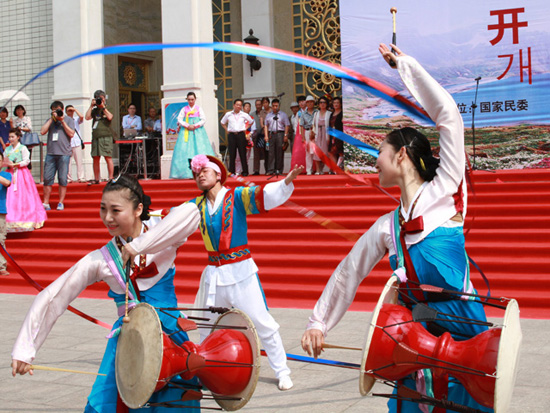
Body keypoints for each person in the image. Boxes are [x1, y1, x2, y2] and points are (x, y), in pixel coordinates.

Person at [301, 44, 492, 413]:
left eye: (381, 151)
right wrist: (318, 323)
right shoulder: (386, 226)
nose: (375, 160)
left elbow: (450, 117)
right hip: (412, 337)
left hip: (464, 329)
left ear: (401, 154)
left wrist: (406, 66)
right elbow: (349, 272)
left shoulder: (446, 190)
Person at [12, 175, 201, 412]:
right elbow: (53, 296)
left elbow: (192, 212)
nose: (108, 218)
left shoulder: (162, 232)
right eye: (103, 209)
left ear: (138, 209)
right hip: (130, 342)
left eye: (115, 210)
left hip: (170, 336)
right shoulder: (101, 259)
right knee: (111, 403)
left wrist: (139, 246)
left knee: (173, 404)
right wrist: (25, 350)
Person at [126, 154, 303, 391]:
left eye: (204, 171)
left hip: (240, 271)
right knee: (207, 325)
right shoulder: (195, 206)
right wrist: (143, 213)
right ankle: (206, 370)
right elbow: (171, 217)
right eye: (196, 174)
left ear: (218, 174)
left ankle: (282, 371)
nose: (199, 176)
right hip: (214, 275)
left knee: (262, 322)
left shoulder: (236, 196)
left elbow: (262, 195)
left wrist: (285, 183)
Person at [3, 128, 47, 232]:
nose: (11, 139)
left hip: (21, 174)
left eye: (13, 137)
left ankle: (26, 218)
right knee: (9, 197)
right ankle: (10, 219)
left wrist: (17, 164)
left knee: (23, 195)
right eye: (9, 137)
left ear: (18, 137)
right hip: (10, 174)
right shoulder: (7, 149)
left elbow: (27, 160)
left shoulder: (23, 148)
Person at [40, 100, 75, 211]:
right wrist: (52, 119)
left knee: (62, 178)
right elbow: (42, 131)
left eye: (57, 110)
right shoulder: (50, 120)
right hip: (51, 153)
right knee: (47, 178)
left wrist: (62, 121)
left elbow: (71, 134)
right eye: (53, 110)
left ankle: (60, 202)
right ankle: (46, 202)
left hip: (64, 153)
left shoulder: (68, 120)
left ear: (62, 109)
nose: (55, 112)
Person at [170, 92, 214, 179]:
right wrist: (187, 125)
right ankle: (185, 172)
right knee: (183, 149)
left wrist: (195, 125)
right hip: (186, 131)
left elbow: (203, 119)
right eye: (189, 99)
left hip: (198, 131)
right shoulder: (184, 109)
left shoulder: (199, 108)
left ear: (195, 99)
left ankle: (203, 171)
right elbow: (179, 119)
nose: (190, 101)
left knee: (200, 148)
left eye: (192, 99)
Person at [85, 90, 114, 184]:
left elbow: (110, 117)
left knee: (108, 157)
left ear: (104, 98)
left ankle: (110, 178)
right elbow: (87, 117)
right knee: (95, 158)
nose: (100, 100)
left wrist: (103, 107)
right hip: (96, 136)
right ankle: (97, 178)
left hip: (106, 136)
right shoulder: (94, 110)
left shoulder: (108, 107)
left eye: (101, 98)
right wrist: (91, 106)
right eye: (98, 98)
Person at [220, 99, 253, 177]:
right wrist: (226, 129)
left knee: (242, 153)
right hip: (231, 135)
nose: (238, 106)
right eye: (237, 105)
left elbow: (251, 121)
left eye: (240, 105)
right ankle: (232, 171)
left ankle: (245, 171)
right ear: (234, 105)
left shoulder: (244, 114)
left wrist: (245, 128)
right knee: (232, 154)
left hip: (241, 134)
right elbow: (222, 122)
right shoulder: (228, 114)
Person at [264, 99, 290, 175]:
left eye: (276, 106)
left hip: (280, 134)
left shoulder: (283, 114)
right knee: (271, 153)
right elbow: (266, 126)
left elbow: (287, 125)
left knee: (279, 152)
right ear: (271, 106)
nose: (275, 107)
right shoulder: (269, 115)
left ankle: (278, 170)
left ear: (279, 106)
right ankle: (270, 170)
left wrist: (285, 135)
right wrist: (266, 136)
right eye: (273, 106)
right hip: (271, 134)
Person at [310, 97, 332, 174]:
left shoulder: (329, 113)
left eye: (324, 102)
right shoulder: (316, 113)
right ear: (318, 104)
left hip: (326, 134)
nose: (322, 104)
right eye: (321, 102)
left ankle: (324, 169)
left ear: (327, 104)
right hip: (317, 134)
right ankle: (318, 170)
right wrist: (312, 133)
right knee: (317, 152)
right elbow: (313, 125)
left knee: (325, 152)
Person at [66, 105, 86, 183]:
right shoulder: (64, 120)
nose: (70, 112)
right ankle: (68, 178)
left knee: (79, 161)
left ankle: (80, 177)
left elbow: (82, 117)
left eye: (71, 110)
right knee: (68, 162)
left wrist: (75, 110)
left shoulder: (76, 119)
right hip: (68, 143)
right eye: (69, 110)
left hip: (77, 142)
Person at [12, 105, 35, 170]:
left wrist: (21, 128)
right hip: (19, 141)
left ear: (23, 111)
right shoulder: (14, 120)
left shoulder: (27, 118)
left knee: (28, 158)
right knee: (19, 158)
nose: (19, 111)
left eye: (20, 110)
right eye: (17, 110)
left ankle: (29, 173)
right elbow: (14, 130)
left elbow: (30, 128)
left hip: (27, 140)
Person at [235, 101, 254, 175]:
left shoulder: (251, 118)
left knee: (247, 156)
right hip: (239, 138)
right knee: (238, 155)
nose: (247, 108)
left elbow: (253, 129)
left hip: (248, 138)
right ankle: (238, 171)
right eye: (246, 106)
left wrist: (249, 135)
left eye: (249, 107)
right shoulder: (239, 117)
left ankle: (245, 170)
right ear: (243, 108)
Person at [300, 95, 317, 175]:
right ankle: (309, 170)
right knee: (308, 152)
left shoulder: (317, 112)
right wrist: (303, 137)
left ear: (314, 103)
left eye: (311, 102)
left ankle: (318, 169)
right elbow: (301, 126)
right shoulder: (303, 114)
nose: (310, 104)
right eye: (308, 102)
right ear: (306, 103)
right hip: (307, 132)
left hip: (316, 132)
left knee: (316, 151)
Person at [0, 155, 11, 276]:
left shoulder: (6, 175)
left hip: (0, 210)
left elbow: (7, 183)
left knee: (0, 239)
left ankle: (1, 266)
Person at [328, 96, 344, 170]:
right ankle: (335, 168)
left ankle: (339, 167)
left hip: (340, 135)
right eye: (334, 103)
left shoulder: (342, 113)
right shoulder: (331, 114)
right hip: (332, 135)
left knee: (340, 152)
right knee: (331, 152)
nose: (336, 104)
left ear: (340, 104)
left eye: (337, 103)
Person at [252, 99, 266, 175]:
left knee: (265, 153)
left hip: (264, 136)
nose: (258, 106)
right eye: (257, 105)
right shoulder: (252, 114)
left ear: (262, 105)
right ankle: (256, 170)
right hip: (255, 137)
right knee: (256, 154)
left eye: (259, 104)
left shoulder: (265, 113)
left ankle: (268, 169)